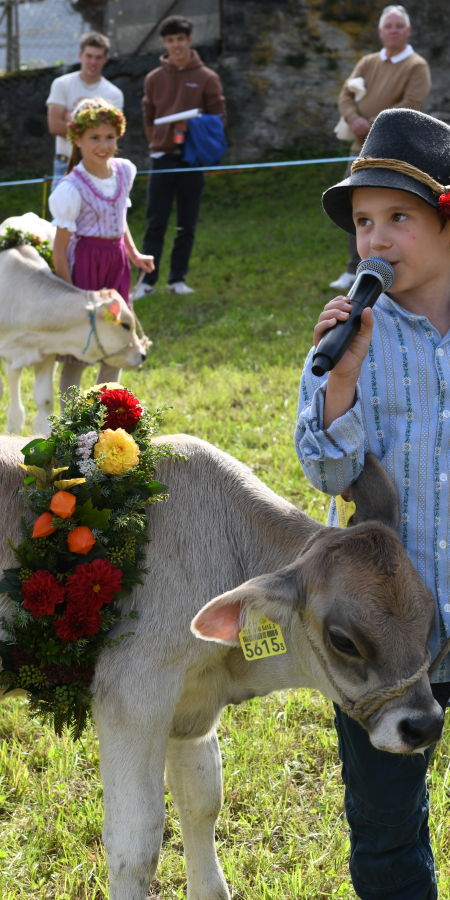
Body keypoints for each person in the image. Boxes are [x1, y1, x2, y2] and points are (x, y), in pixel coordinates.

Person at [295, 106, 450, 900]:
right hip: (378, 630)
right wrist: (344, 377)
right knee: (386, 825)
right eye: (362, 223)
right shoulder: (349, 335)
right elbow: (324, 471)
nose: (376, 241)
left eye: (399, 218)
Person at [49, 98, 154, 395]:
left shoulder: (124, 171)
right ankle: (69, 420)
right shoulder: (71, 187)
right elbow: (60, 249)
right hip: (86, 267)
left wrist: (133, 254)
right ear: (78, 139)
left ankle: (102, 412)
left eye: (109, 137)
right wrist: (71, 294)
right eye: (94, 138)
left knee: (116, 332)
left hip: (115, 265)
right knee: (81, 347)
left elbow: (120, 218)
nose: (103, 145)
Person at [329, 4, 430, 292]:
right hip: (359, 150)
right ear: (380, 31)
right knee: (357, 211)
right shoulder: (368, 61)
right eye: (389, 26)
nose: (394, 31)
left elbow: (411, 104)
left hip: (393, 154)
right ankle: (355, 268)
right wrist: (354, 119)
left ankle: (398, 268)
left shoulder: (416, 66)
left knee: (392, 214)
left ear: (408, 31)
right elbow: (345, 95)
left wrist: (372, 124)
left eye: (399, 26)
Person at [136, 15, 226, 299]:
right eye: (170, 40)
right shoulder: (154, 78)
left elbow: (219, 118)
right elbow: (148, 116)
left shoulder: (207, 77)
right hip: (162, 159)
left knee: (186, 223)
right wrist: (156, 142)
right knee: (155, 223)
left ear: (189, 40)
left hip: (191, 159)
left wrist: (192, 127)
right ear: (165, 43)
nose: (176, 45)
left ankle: (177, 279)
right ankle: (147, 282)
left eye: (180, 39)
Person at [47, 32, 124, 192]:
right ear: (80, 55)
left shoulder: (113, 94)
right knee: (62, 215)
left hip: (98, 166)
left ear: (105, 58)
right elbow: (55, 126)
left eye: (98, 57)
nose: (93, 62)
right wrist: (95, 129)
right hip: (65, 162)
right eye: (89, 56)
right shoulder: (62, 84)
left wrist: (72, 120)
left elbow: (114, 132)